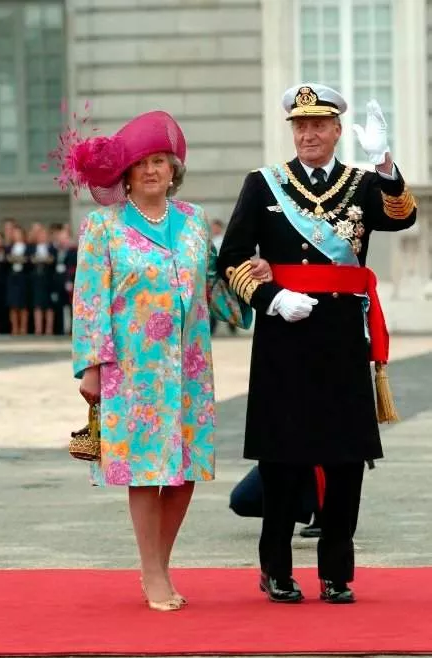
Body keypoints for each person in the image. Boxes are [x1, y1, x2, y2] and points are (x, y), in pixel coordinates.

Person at [52, 109, 271, 611]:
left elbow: (217, 290)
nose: (151, 170)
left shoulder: (193, 221)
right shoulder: (103, 228)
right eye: (141, 163)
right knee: (147, 471)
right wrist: (90, 366)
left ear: (175, 170)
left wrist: (252, 278)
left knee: (185, 471)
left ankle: (159, 563)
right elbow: (89, 300)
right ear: (125, 174)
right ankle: (152, 572)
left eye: (160, 161)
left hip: (190, 367)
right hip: (133, 370)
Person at [218, 83, 417, 604]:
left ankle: (336, 570)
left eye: (318, 126)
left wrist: (385, 163)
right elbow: (232, 257)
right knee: (283, 458)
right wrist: (270, 298)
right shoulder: (264, 185)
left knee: (346, 459)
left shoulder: (360, 183)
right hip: (285, 338)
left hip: (342, 340)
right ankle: (276, 569)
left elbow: (403, 217)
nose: (308, 134)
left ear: (335, 131)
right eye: (300, 126)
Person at [28, 224, 57, 336]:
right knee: (37, 304)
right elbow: (29, 260)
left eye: (44, 235)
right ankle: (38, 328)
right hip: (36, 278)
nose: (42, 237)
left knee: (49, 305)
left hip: (48, 278)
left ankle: (49, 328)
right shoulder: (32, 247)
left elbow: (52, 260)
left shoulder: (51, 248)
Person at [210, 219, 237, 337]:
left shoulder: (224, 240)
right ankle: (212, 329)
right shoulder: (210, 240)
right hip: (214, 275)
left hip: (223, 274)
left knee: (228, 302)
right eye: (213, 227)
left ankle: (233, 327)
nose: (214, 229)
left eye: (216, 227)